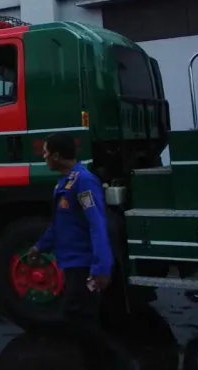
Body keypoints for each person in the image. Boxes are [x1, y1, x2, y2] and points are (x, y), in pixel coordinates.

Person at [28, 133, 138, 370]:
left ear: (57, 155)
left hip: (84, 264)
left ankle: (121, 363)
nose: (44, 156)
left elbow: (97, 224)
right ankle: (98, 363)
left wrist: (101, 267)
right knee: (84, 318)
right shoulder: (64, 181)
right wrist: (40, 246)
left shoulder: (83, 181)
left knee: (75, 317)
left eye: (46, 152)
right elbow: (60, 224)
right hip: (71, 263)